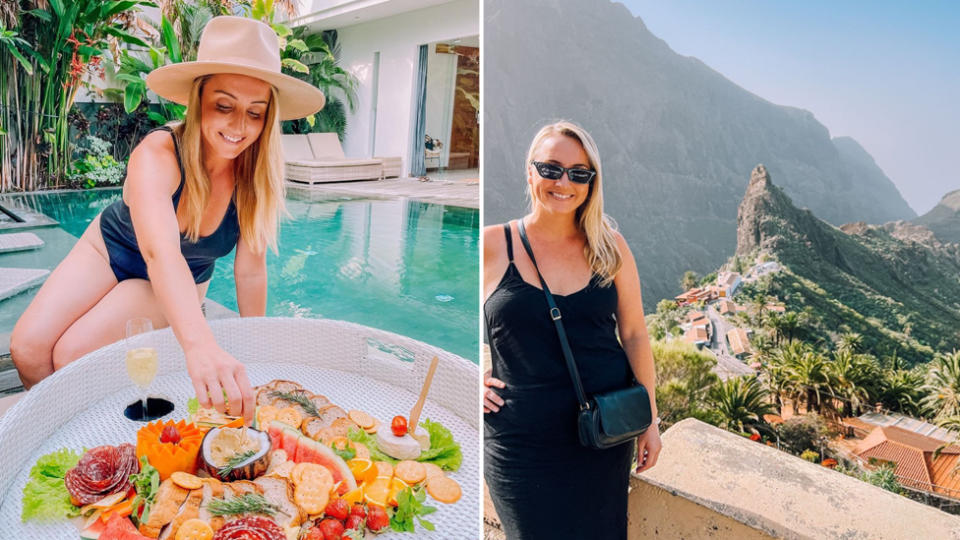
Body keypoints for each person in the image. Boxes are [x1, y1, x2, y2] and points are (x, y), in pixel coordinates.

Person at [10, 16, 325, 424]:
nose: (238, 126)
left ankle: (86, 436)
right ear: (198, 101)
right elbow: (158, 252)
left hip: (180, 276)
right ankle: (59, 433)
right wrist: (198, 346)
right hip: (111, 248)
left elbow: (249, 273)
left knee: (71, 354)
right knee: (28, 349)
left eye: (255, 113)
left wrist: (254, 343)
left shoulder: (256, 177)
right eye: (224, 106)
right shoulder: (157, 154)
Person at [483, 121, 661, 538]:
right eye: (551, 168)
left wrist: (649, 418)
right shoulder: (494, 245)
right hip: (520, 443)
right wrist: (476, 375)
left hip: (601, 435)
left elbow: (634, 333)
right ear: (530, 172)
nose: (564, 182)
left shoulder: (610, 247)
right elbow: (446, 312)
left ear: (591, 183)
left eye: (579, 173)